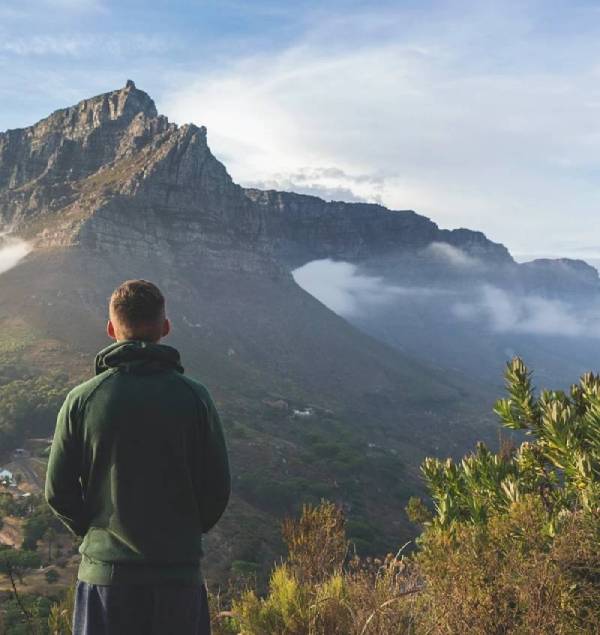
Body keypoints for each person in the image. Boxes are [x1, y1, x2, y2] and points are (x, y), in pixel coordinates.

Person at [45, 279, 231, 634]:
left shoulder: (83, 400)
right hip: (178, 579)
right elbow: (217, 489)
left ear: (112, 328)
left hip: (105, 582)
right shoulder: (195, 398)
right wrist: (184, 533)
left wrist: (95, 536)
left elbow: (58, 491)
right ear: (165, 327)